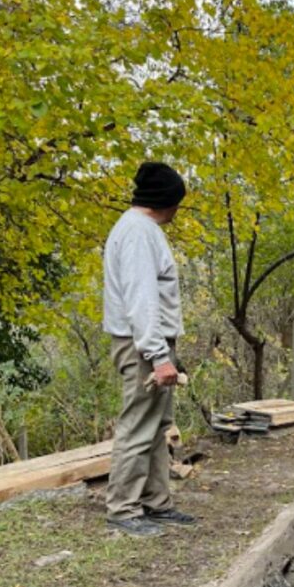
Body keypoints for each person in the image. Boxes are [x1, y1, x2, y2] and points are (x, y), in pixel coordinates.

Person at [102, 162, 196, 537]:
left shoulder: (141, 229)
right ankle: (123, 509)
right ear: (167, 201)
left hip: (151, 344)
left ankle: (156, 503)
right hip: (142, 347)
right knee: (138, 427)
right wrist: (158, 356)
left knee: (157, 427)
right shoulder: (138, 233)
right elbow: (141, 300)